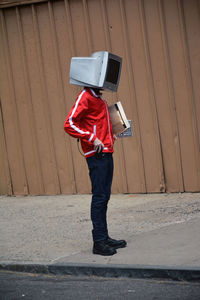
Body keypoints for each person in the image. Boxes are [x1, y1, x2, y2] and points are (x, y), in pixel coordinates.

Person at [64, 87, 127, 256]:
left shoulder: (98, 99)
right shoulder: (85, 96)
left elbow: (98, 125)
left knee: (104, 197)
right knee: (99, 197)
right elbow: (69, 123)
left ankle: (104, 238)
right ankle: (98, 242)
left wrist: (115, 133)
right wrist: (93, 138)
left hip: (107, 152)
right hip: (96, 155)